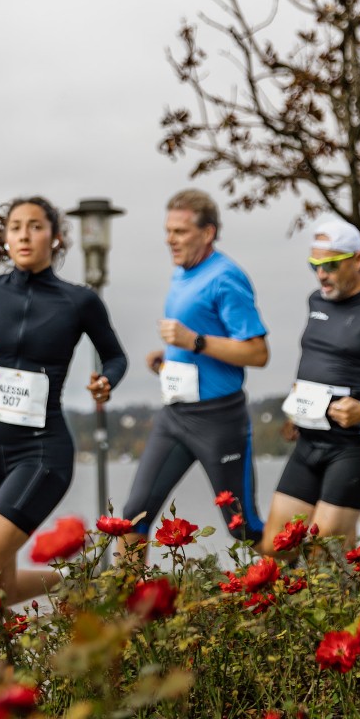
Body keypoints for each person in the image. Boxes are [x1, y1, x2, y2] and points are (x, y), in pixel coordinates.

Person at [0, 195, 127, 638]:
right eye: (16, 227)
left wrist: (105, 381)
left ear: (55, 236)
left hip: (42, 452)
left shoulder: (79, 301)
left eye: (35, 226)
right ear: (5, 237)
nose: (25, 235)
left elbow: (115, 358)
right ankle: (78, 587)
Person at [121, 189, 268, 555]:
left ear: (208, 233)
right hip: (175, 415)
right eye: (168, 231)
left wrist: (194, 342)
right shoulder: (182, 274)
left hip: (219, 420)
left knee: (243, 528)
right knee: (132, 517)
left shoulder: (226, 277)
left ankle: (306, 591)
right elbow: (195, 339)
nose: (170, 239)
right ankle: (121, 611)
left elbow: (257, 352)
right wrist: (169, 358)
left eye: (180, 232)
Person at [260, 219, 360, 555]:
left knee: (320, 551)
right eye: (314, 265)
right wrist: (298, 407)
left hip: (353, 445)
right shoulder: (316, 301)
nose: (321, 275)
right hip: (310, 439)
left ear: (359, 258)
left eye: (331, 265)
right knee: (275, 548)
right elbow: (314, 356)